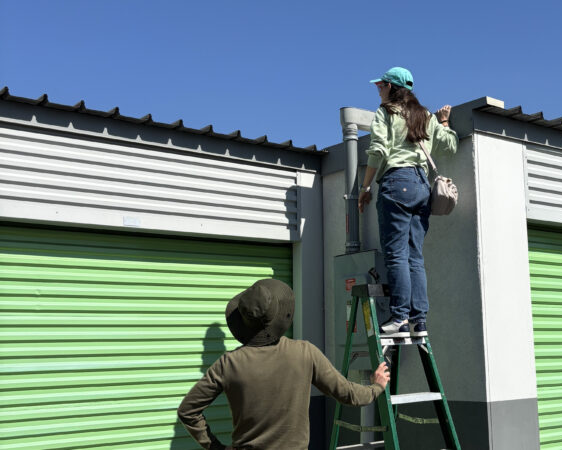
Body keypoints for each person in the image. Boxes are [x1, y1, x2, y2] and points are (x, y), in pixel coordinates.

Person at [177, 279, 390, 450]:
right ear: (278, 317)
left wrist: (214, 447)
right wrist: (376, 386)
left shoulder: (228, 364)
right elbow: (349, 394)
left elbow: (187, 411)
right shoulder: (305, 352)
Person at [358, 67, 458, 338]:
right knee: (415, 256)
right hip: (421, 187)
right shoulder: (424, 115)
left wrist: (365, 187)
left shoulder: (386, 112)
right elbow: (450, 145)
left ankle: (400, 316)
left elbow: (378, 149)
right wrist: (445, 122)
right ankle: (419, 320)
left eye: (381, 85)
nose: (378, 90)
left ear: (392, 87)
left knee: (397, 255)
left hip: (396, 183)